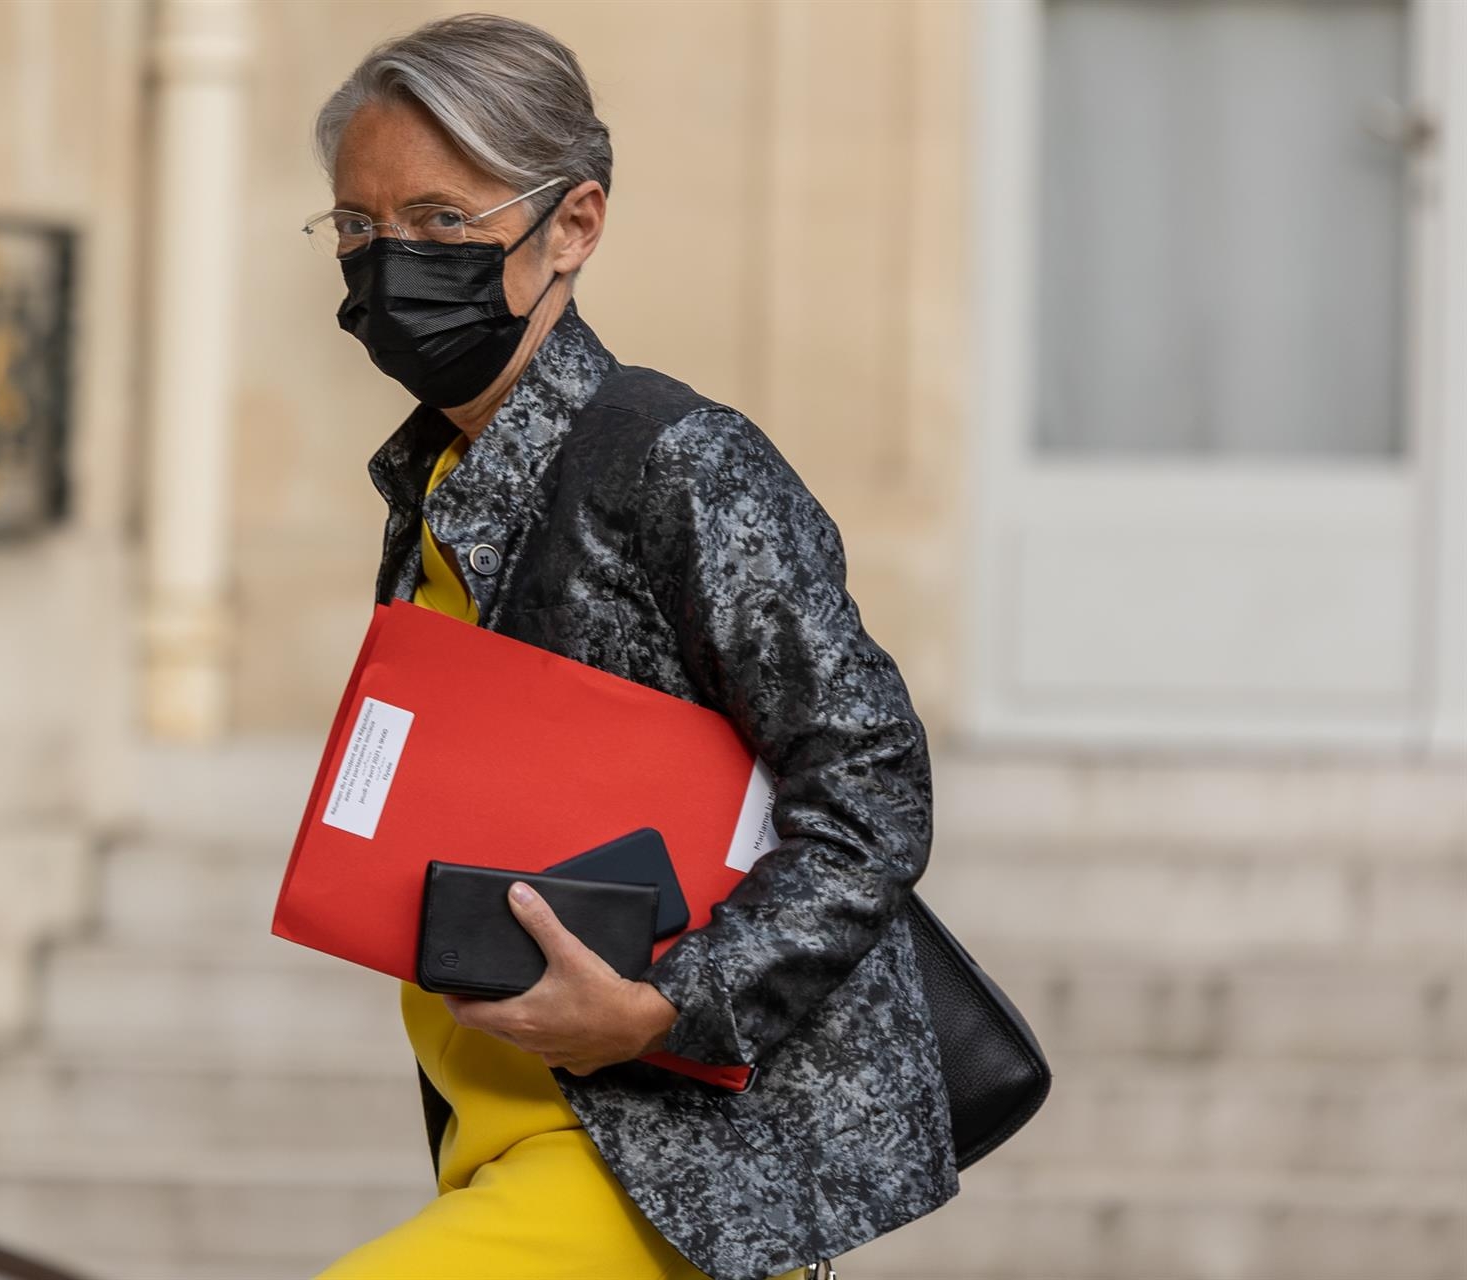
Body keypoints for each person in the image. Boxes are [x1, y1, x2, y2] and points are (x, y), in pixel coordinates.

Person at [305, 14, 957, 1280]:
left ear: (575, 224)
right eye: (358, 228)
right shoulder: (434, 481)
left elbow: (871, 787)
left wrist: (669, 1002)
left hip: (657, 1158)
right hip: (498, 1136)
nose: (391, 264)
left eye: (442, 222)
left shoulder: (676, 461)